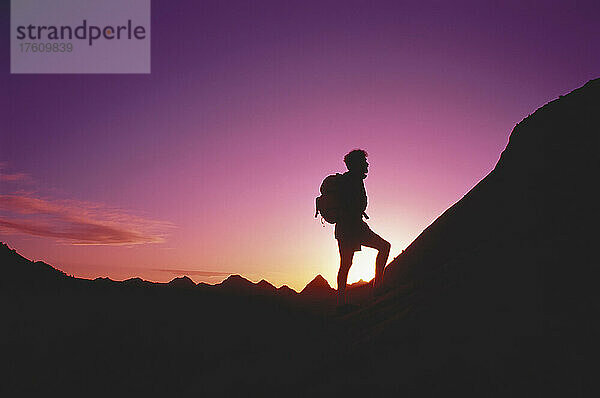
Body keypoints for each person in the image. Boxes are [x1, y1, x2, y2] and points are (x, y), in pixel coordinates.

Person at [335, 149, 391, 307]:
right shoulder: (352, 181)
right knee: (384, 247)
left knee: (345, 264)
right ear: (357, 164)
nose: (367, 164)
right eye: (364, 162)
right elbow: (352, 206)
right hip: (353, 228)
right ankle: (377, 289)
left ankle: (341, 303)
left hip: (346, 228)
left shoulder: (351, 180)